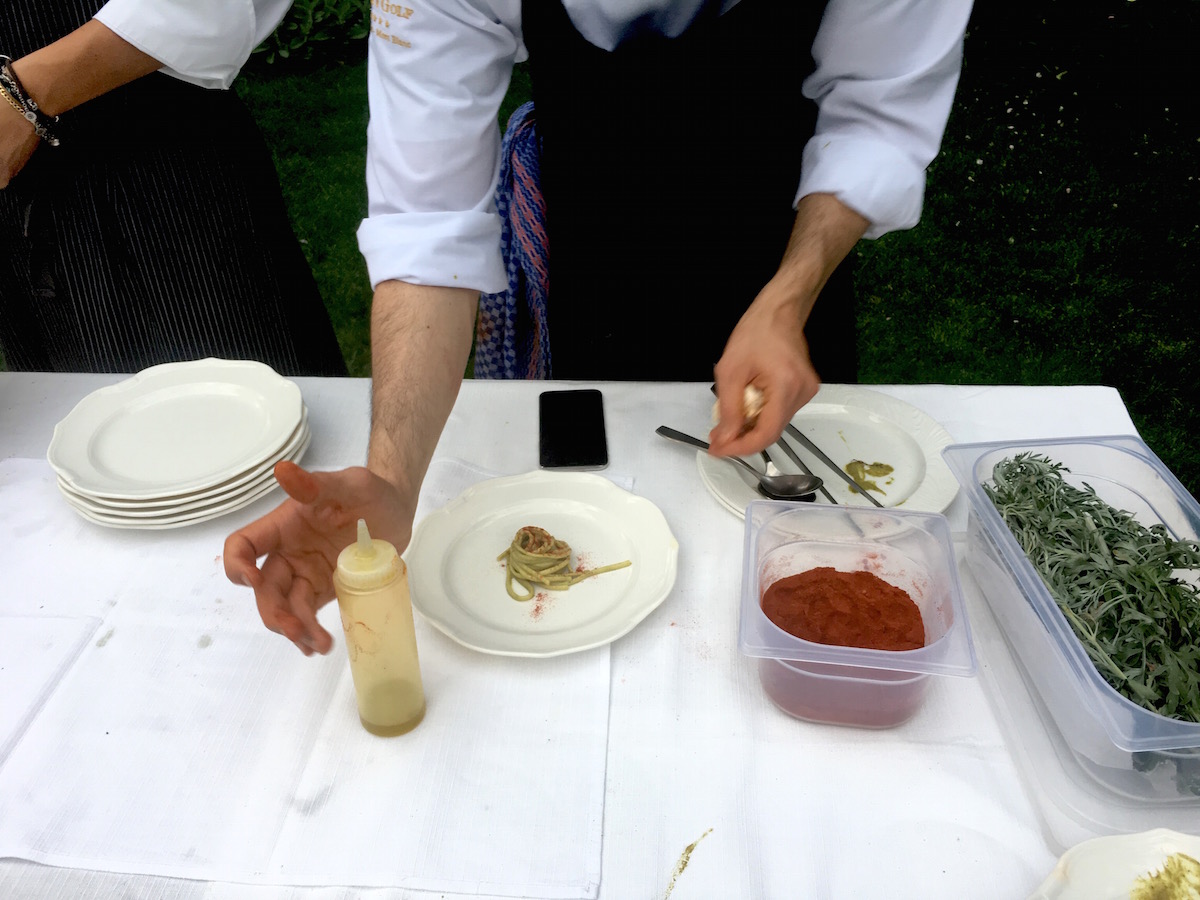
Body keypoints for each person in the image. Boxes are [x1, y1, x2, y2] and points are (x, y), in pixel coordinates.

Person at [223, 0, 974, 655]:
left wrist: (788, 299)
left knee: (812, 547)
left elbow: (877, 115)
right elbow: (427, 228)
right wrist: (392, 478)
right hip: (596, 247)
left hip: (785, 244)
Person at [0, 1, 347, 376]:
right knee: (53, 402)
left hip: (152, 181)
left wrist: (25, 95)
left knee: (230, 397)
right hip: (16, 212)